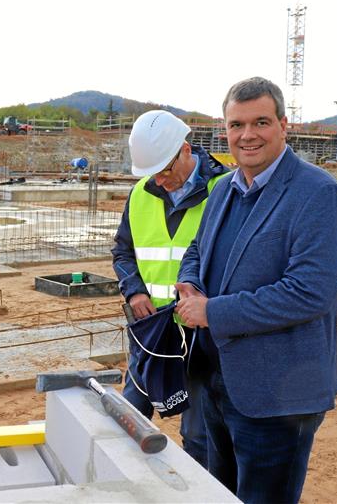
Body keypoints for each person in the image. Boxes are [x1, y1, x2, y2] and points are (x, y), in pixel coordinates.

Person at [175, 76, 337, 503]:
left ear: (284, 125)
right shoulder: (222, 189)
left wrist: (211, 312)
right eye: (236, 125)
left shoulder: (317, 193)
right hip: (219, 382)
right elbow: (197, 248)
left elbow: (308, 293)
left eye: (261, 122)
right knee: (223, 495)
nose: (247, 135)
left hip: (278, 396)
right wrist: (191, 283)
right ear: (225, 130)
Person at [111, 110, 229, 468]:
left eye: (165, 171)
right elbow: (123, 251)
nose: (160, 181)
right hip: (152, 331)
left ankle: (198, 489)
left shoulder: (224, 190)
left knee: (198, 433)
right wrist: (134, 292)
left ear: (185, 150)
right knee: (131, 415)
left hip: (200, 334)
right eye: (152, 174)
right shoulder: (140, 194)